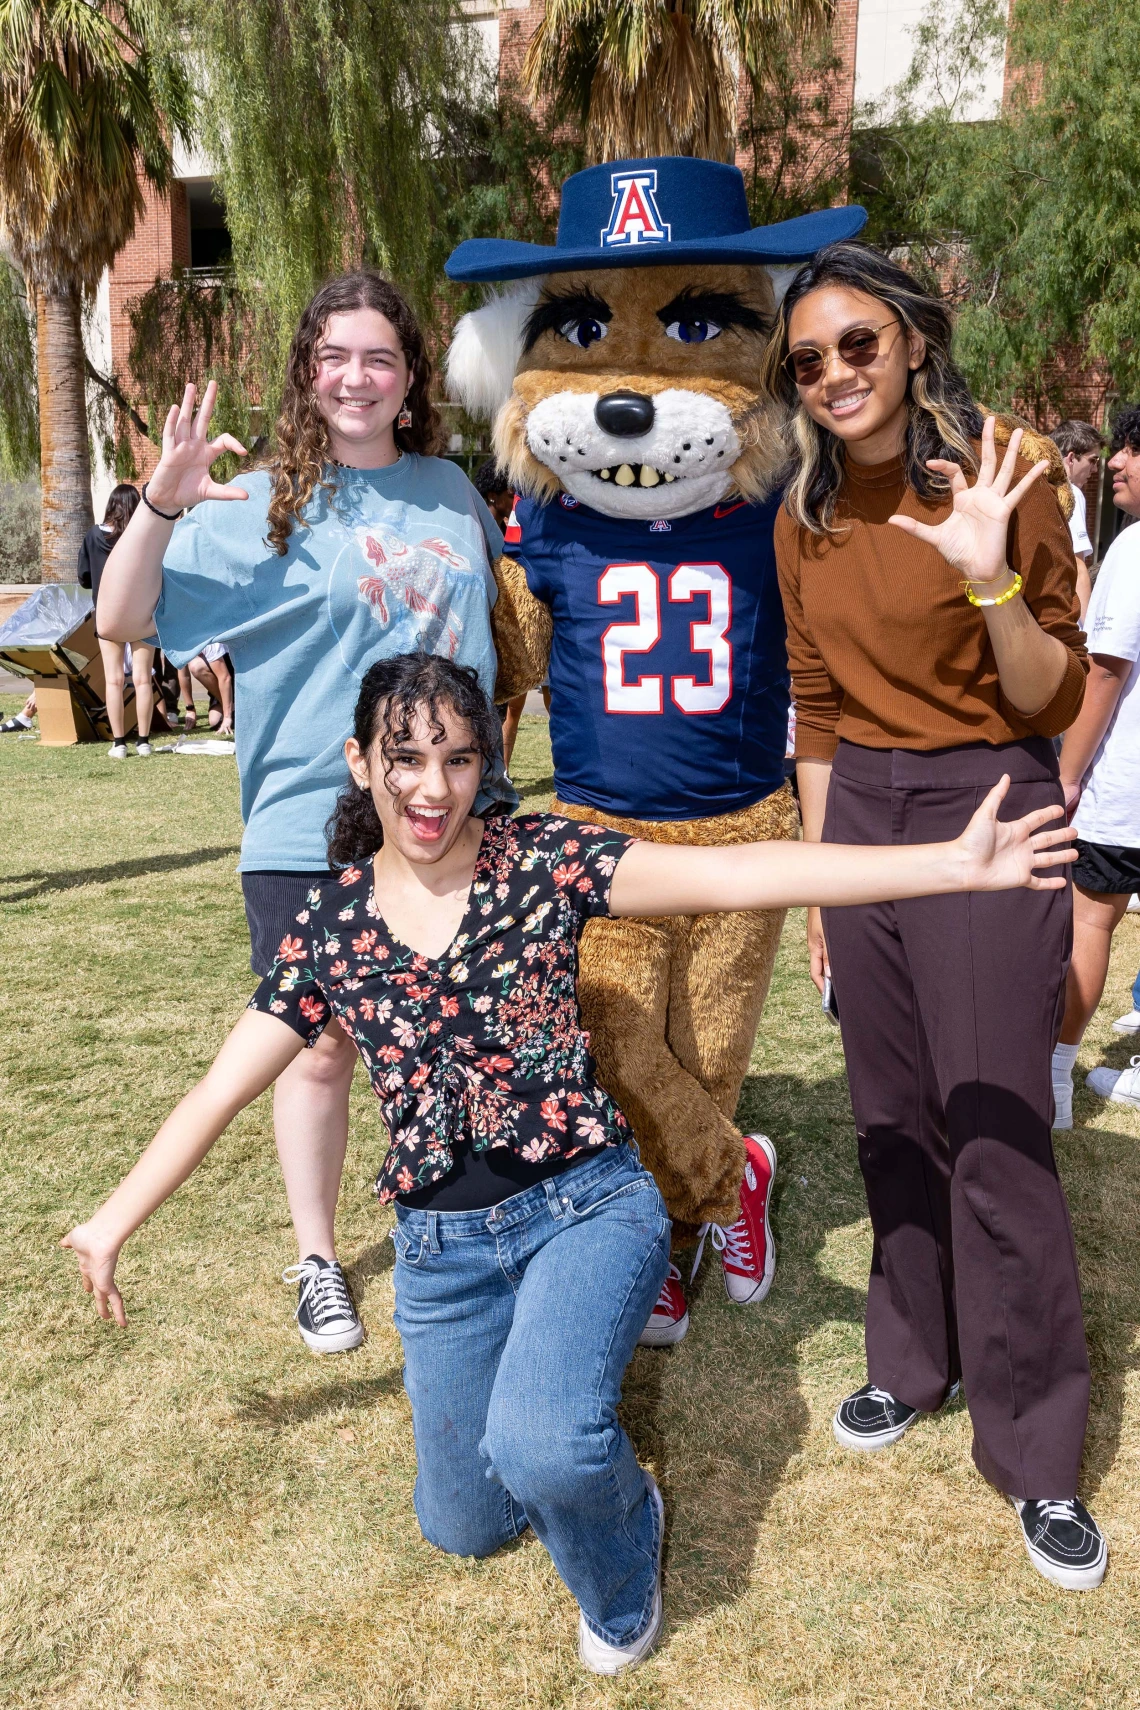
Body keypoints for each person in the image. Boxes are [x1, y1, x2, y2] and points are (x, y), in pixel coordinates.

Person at [61, 652, 1076, 1673]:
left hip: (586, 1208)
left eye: (458, 759)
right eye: (404, 758)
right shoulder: (329, 928)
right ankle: (553, 1443)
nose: (431, 786)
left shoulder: (540, 860)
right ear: (360, 764)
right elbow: (219, 1090)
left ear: (487, 761)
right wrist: (112, 1222)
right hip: (441, 1255)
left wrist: (950, 864)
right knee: (464, 1523)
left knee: (546, 1443)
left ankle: (627, 1551)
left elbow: (735, 874)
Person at [764, 241, 1105, 1589]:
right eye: (808, 361)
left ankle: (1035, 1449)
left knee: (995, 1123)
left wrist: (988, 572)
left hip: (989, 796)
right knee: (890, 1113)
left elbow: (1047, 694)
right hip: (864, 818)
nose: (837, 373)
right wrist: (817, 882)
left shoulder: (1003, 465)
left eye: (858, 343)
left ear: (911, 339)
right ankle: (912, 1361)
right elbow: (816, 701)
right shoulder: (800, 510)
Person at [95, 271, 512, 1356]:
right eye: (335, 357)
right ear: (306, 374)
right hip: (306, 825)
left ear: (412, 377)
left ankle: (464, 1231)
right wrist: (162, 502)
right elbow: (122, 615)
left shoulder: (453, 494)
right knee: (320, 1049)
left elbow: (497, 637)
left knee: (461, 1035)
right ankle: (319, 1260)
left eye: (379, 357)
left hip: (454, 814)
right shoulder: (259, 505)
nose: (357, 377)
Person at [1055, 406, 1140, 1117]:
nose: (1117, 461)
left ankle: (1052, 1074)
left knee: (1090, 922)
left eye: (1134, 449)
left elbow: (1105, 670)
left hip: (1128, 788)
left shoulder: (1135, 547)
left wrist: (1067, 773)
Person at [77, 484, 155, 759]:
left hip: (108, 614)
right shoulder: (143, 537)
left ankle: (119, 743)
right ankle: (144, 741)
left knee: (114, 681)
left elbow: (84, 577)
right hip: (143, 613)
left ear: (111, 506)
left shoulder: (92, 536)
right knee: (143, 679)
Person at [473, 457, 534, 771]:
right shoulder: (478, 531)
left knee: (503, 711)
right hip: (483, 634)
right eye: (511, 494)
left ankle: (498, 775)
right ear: (493, 495)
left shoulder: (508, 530)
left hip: (504, 634)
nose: (515, 500)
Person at [1052, 419, 1104, 620]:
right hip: (1060, 610)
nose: (1095, 470)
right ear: (1071, 458)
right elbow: (1078, 566)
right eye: (1093, 460)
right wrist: (1086, 631)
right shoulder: (1071, 493)